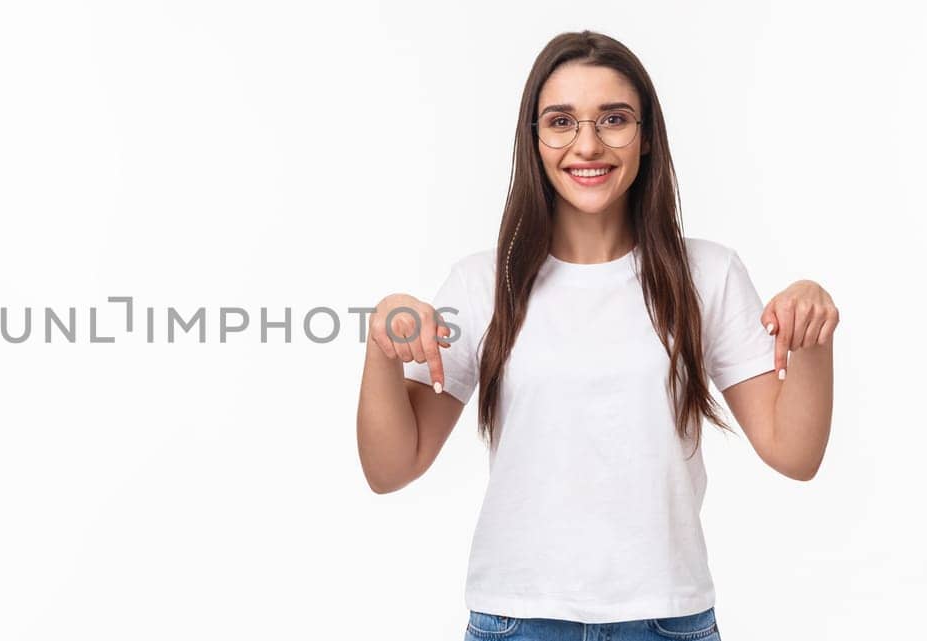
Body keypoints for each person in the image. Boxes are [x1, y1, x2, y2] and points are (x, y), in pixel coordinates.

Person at [354, 31, 837, 641]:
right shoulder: (485, 282)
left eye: (614, 119)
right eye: (561, 121)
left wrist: (812, 335)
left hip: (666, 620)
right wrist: (379, 348)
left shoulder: (707, 275)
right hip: (518, 619)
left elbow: (795, 455)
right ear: (533, 139)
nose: (588, 144)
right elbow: (392, 466)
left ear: (647, 136)